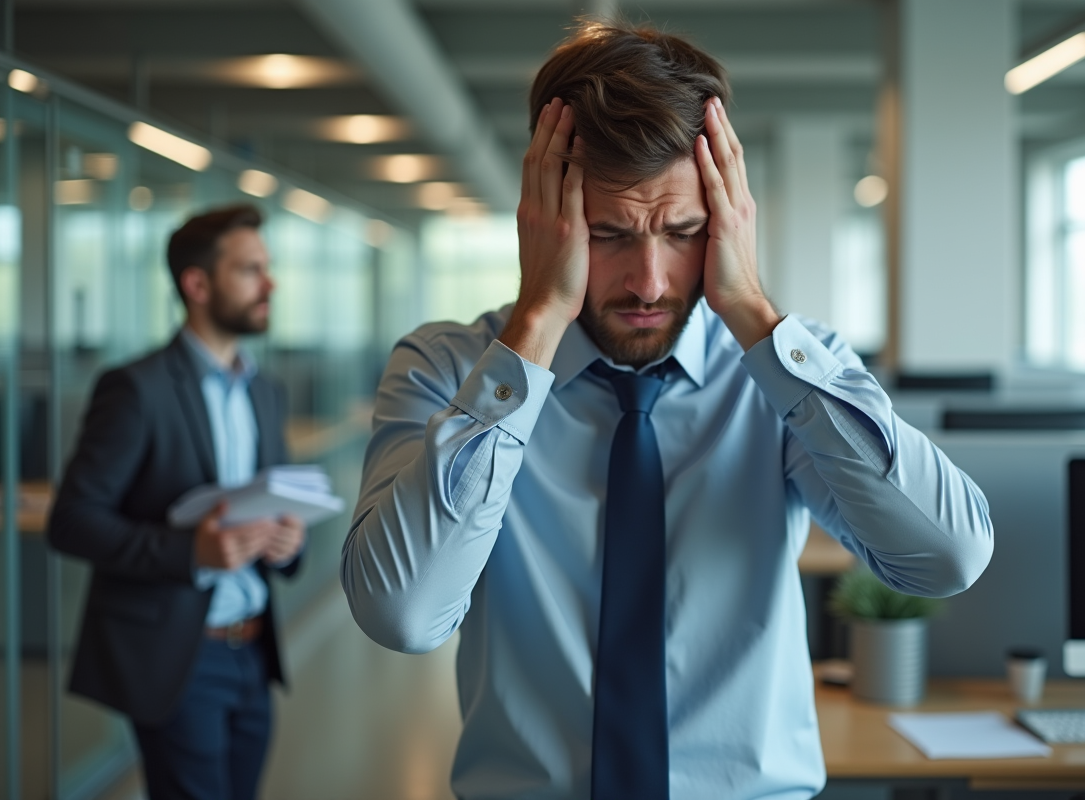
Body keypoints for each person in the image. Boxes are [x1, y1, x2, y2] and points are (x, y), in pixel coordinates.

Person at [344, 21, 993, 800]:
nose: (649, 280)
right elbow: (404, 614)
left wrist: (753, 311)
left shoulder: (789, 369)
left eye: (683, 231)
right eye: (608, 233)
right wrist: (536, 325)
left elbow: (946, 557)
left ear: (725, 220)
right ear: (545, 220)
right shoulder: (449, 369)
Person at [48, 204, 306, 800]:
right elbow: (73, 522)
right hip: (180, 657)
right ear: (197, 285)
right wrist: (191, 550)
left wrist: (288, 543)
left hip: (254, 650)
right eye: (250, 270)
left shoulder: (265, 391)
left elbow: (278, 500)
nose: (270, 284)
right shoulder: (136, 389)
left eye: (267, 269)